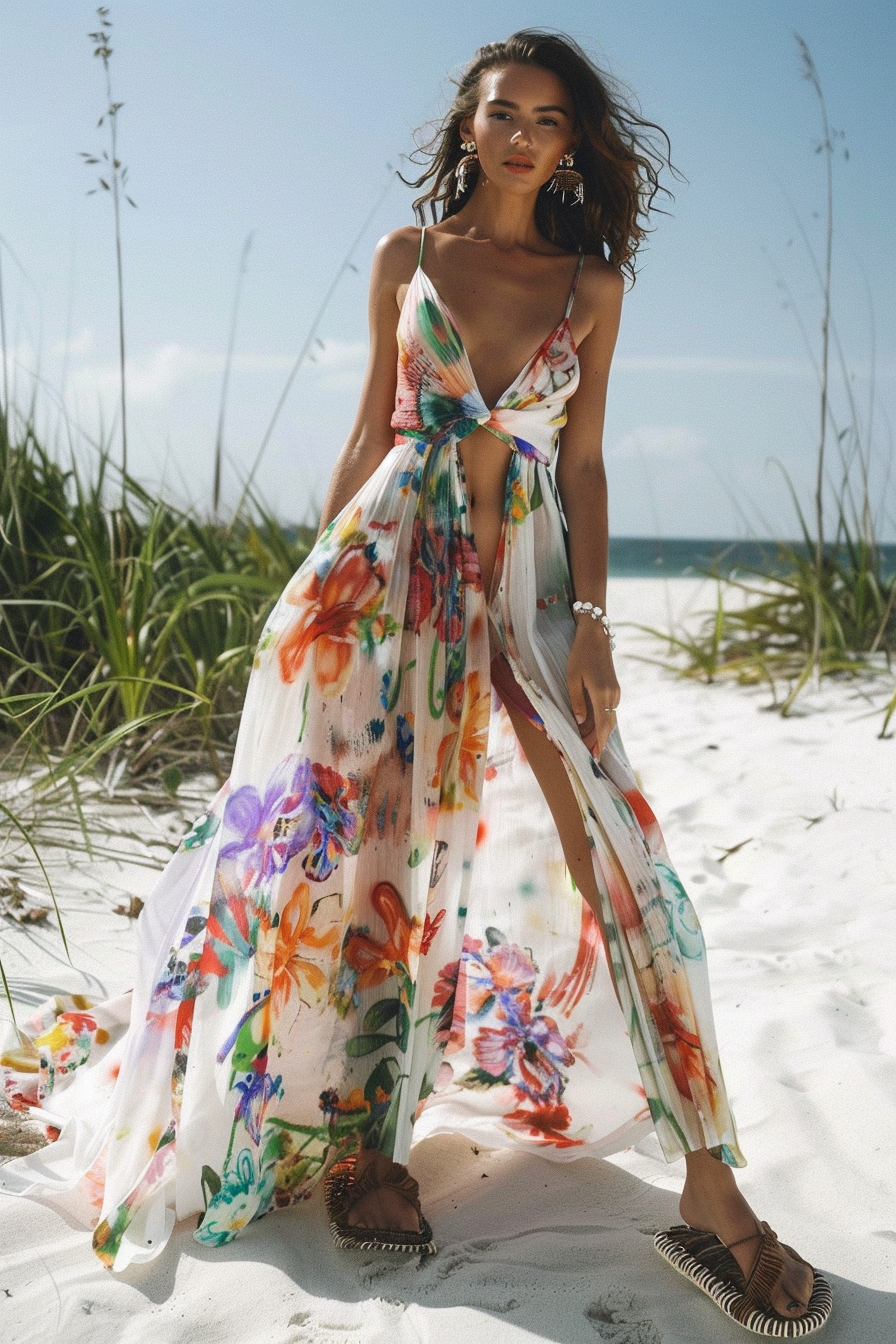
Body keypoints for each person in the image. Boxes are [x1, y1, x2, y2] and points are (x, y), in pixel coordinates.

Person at [1, 29, 830, 1336]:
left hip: (526, 596)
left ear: (572, 145)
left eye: (549, 119)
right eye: (504, 111)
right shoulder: (408, 257)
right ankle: (363, 1146)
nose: (523, 135)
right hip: (380, 585)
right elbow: (359, 442)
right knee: (365, 863)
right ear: (469, 125)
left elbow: (590, 463)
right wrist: (305, 614)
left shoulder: (592, 283)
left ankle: (713, 1190)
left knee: (626, 866)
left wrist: (598, 624)